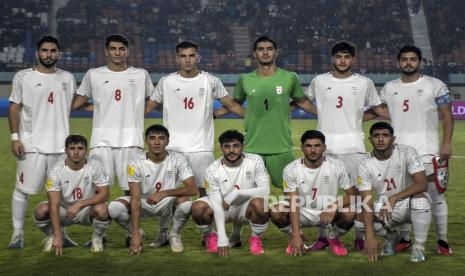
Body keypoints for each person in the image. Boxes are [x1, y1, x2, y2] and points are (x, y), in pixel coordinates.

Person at [145, 40, 244, 247]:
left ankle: (208, 234)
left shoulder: (211, 81)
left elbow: (232, 105)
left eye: (191, 55)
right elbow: (149, 106)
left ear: (198, 57)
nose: (187, 59)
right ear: (177, 58)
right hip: (172, 149)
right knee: (167, 195)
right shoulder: (166, 82)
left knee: (207, 194)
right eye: (183, 56)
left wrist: (253, 118)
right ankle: (165, 234)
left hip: (201, 149)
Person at [304, 41, 388, 250]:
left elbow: (379, 110)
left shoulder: (364, 83)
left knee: (360, 195)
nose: (342, 61)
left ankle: (359, 238)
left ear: (353, 59)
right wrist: (322, 114)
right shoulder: (319, 81)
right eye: (339, 57)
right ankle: (324, 237)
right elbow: (304, 102)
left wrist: (358, 119)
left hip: (354, 148)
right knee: (326, 195)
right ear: (332, 59)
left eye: (347, 57)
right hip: (327, 147)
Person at [379, 45, 454, 255]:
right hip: (398, 153)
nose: (408, 63)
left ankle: (443, 241)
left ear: (419, 62)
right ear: (398, 62)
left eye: (413, 59)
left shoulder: (435, 85)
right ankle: (405, 239)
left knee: (435, 196)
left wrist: (446, 143)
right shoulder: (389, 87)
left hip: (427, 152)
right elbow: (381, 110)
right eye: (404, 59)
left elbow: (447, 115)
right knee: (401, 195)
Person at [8, 35, 76, 249]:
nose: (49, 54)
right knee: (23, 190)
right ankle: (17, 234)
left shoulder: (68, 78)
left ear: (59, 53)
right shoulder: (23, 77)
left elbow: (76, 103)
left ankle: (60, 235)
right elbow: (14, 107)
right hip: (32, 146)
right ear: (38, 52)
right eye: (45, 50)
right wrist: (15, 138)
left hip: (60, 148)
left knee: (60, 194)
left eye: (53, 51)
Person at [72, 34, 155, 194]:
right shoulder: (93, 74)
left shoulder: (140, 74)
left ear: (127, 52)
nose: (117, 53)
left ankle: (131, 219)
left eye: (121, 49)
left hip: (131, 141)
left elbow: (153, 101)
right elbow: (78, 104)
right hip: (101, 142)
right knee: (97, 190)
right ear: (106, 51)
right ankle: (99, 218)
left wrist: (136, 111)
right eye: (113, 49)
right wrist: (100, 108)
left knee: (132, 191)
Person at [233, 36, 317, 189]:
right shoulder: (244, 79)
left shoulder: (290, 77)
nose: (265, 52)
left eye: (269, 49)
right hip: (252, 148)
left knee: (291, 191)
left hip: (281, 147)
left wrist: (325, 114)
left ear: (276, 53)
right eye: (260, 49)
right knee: (248, 195)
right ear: (254, 54)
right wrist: (214, 114)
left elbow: (302, 101)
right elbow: (233, 105)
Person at [108, 124, 198, 254]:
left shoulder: (177, 158)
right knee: (114, 208)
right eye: (152, 138)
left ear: (167, 141)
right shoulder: (135, 162)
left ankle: (173, 234)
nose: (156, 142)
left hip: (167, 201)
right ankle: (138, 233)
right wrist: (135, 235)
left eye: (161, 138)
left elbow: (193, 189)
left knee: (186, 203)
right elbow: (135, 198)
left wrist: (164, 193)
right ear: (146, 141)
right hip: (143, 201)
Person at [269, 130, 357, 256]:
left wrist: (334, 206)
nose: (313, 150)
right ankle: (297, 237)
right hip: (302, 211)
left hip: (328, 212)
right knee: (276, 210)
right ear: (302, 148)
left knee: (351, 211)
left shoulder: (337, 166)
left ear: (324, 147)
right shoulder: (290, 169)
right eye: (308, 146)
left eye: (317, 146)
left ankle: (332, 238)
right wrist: (295, 234)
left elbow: (353, 195)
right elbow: (293, 203)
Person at [356, 122, 431, 263]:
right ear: (370, 140)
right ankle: (391, 237)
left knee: (420, 200)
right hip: (385, 208)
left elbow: (422, 184)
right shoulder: (364, 164)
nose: (380, 139)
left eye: (385, 135)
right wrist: (370, 237)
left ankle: (419, 248)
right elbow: (367, 201)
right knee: (360, 220)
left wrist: (395, 198)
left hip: (409, 204)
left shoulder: (407, 152)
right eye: (376, 136)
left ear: (393, 139)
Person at [191, 130, 270, 256]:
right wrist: (222, 237)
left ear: (242, 146)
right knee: (197, 208)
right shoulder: (212, 169)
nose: (231, 150)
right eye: (227, 146)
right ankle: (210, 236)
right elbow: (216, 204)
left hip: (246, 208)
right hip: (223, 207)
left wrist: (236, 193)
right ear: (221, 148)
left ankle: (255, 238)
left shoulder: (256, 160)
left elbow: (265, 190)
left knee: (262, 204)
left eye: (236, 146)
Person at [34, 135, 110, 255]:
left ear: (86, 150)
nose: (76, 152)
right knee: (40, 210)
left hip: (87, 210)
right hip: (65, 211)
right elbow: (54, 204)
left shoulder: (95, 166)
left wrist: (80, 204)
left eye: (80, 148)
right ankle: (55, 236)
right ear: (65, 151)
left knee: (103, 209)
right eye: (72, 148)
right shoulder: (56, 171)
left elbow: (105, 194)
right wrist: (58, 235)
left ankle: (97, 237)